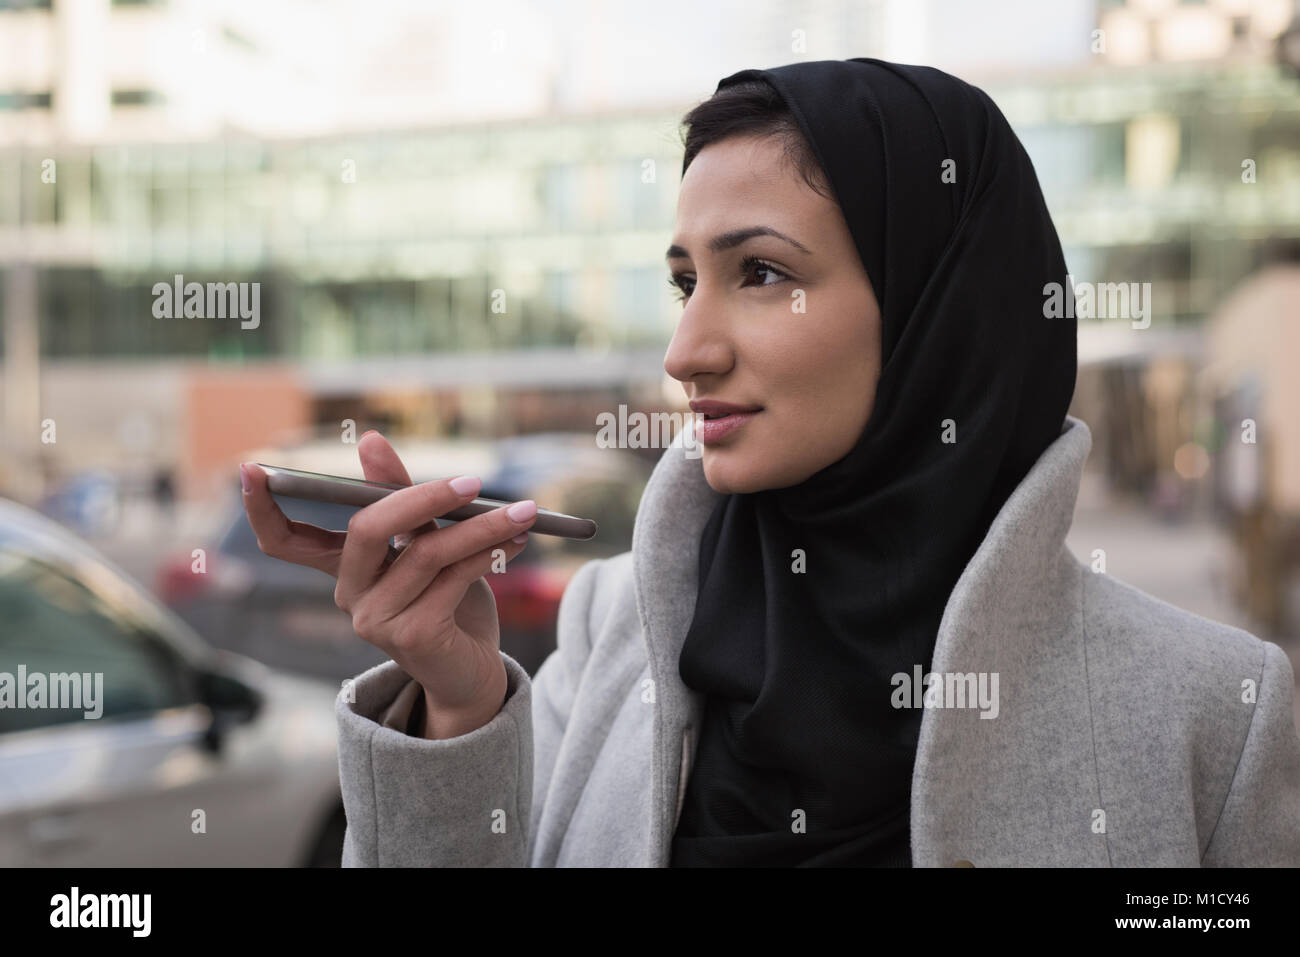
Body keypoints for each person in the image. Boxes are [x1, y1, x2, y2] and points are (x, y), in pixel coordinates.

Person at [238, 58, 1300, 866]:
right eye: (681, 281)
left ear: (941, 308)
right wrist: (459, 707)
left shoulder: (1214, 710)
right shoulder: (612, 635)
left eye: (758, 272)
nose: (684, 351)